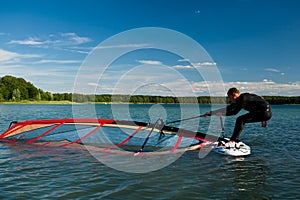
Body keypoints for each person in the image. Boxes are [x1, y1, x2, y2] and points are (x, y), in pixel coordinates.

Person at [204, 87, 272, 147]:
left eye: (229, 97)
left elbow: (234, 112)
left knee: (240, 119)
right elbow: (228, 108)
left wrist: (222, 114)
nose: (229, 100)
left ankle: (232, 141)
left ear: (234, 95)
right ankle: (262, 119)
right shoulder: (240, 99)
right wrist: (211, 113)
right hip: (261, 112)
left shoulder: (243, 99)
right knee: (246, 113)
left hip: (264, 113)